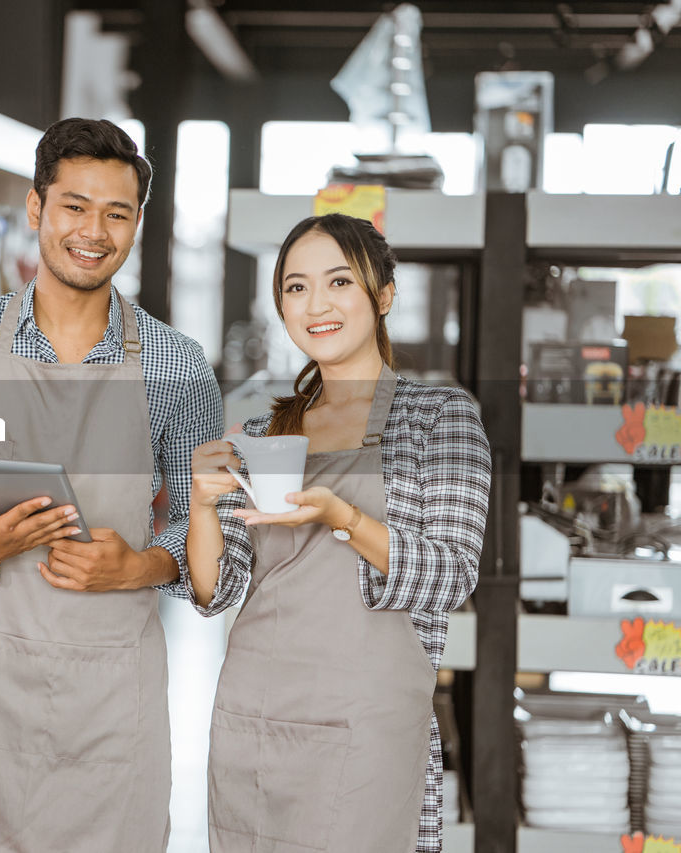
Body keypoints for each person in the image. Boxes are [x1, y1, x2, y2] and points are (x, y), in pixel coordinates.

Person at [0, 117, 223, 852]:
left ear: (138, 221)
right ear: (37, 208)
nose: (95, 231)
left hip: (113, 700)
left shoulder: (180, 365)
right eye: (75, 206)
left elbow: (206, 528)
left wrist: (142, 564)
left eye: (118, 212)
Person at [186, 213, 490, 853]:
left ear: (382, 296)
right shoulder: (265, 430)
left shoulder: (441, 417)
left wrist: (343, 517)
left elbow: (452, 575)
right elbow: (217, 589)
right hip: (255, 721)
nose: (315, 305)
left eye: (338, 283)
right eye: (295, 288)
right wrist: (201, 501)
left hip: (366, 731)